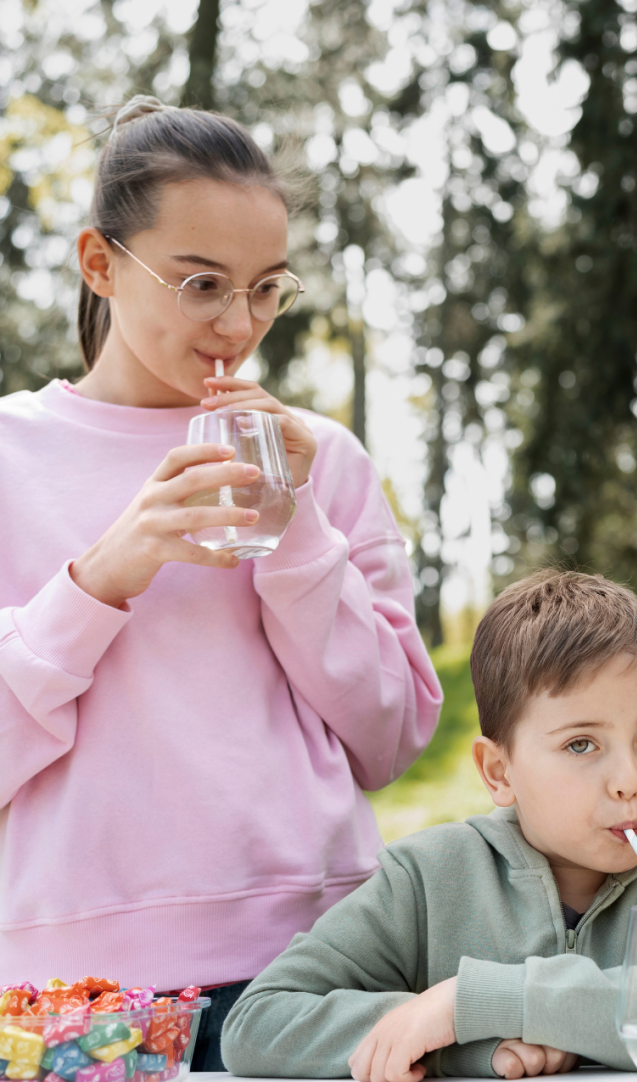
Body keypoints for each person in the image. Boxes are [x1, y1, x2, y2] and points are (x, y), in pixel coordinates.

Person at [0, 97, 443, 1069]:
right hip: (69, 995)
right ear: (99, 262)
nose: (237, 325)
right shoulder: (8, 456)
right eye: (201, 284)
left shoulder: (320, 459)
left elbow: (392, 731)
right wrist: (102, 578)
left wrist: (295, 532)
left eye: (265, 289)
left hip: (318, 965)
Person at [221, 569, 637, 1082]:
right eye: (581, 744)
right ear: (499, 772)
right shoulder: (427, 878)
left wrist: (471, 1002)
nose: (628, 781)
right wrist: (457, 1044)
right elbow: (258, 1024)